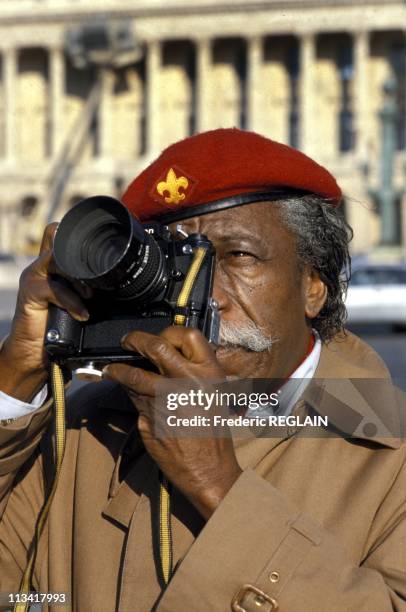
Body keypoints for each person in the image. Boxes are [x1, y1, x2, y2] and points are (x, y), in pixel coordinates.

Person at [0, 128, 405, 612]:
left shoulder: (389, 449)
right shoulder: (82, 426)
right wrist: (15, 384)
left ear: (313, 285)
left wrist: (216, 485)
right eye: (177, 268)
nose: (201, 296)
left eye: (237, 257)